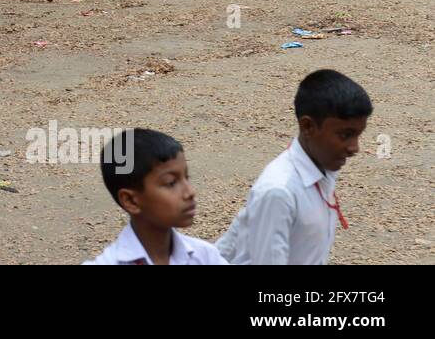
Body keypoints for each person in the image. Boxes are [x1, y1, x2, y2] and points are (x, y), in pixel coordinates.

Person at [217, 70, 372, 265]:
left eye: (358, 135)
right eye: (345, 135)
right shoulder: (279, 192)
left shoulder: (321, 166)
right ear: (308, 127)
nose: (354, 148)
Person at [85, 129, 226, 265]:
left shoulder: (205, 257)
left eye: (187, 177)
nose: (190, 192)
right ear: (131, 201)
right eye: (171, 183)